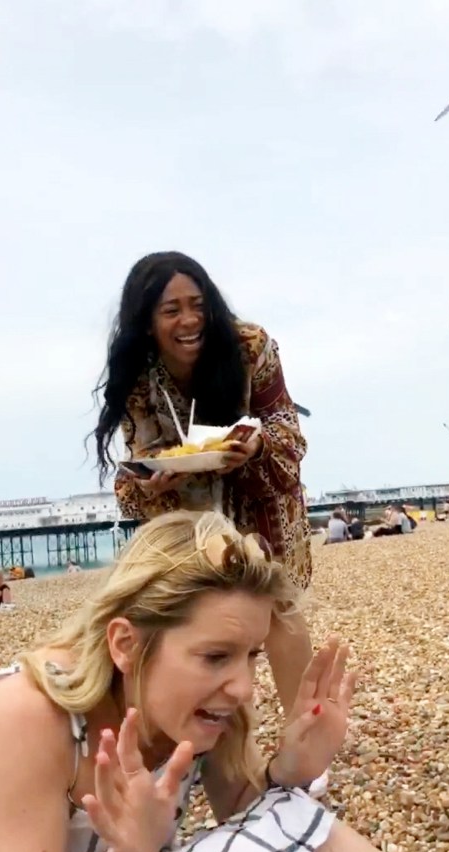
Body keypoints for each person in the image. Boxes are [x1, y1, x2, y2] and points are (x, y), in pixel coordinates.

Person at [0, 510, 449, 852]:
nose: (243, 686)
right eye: (215, 656)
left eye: (251, 654)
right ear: (126, 644)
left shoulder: (203, 706)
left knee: (288, 813)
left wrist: (290, 770)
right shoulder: (32, 712)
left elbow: (251, 817)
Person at [90, 252, 313, 725]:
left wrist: (255, 447)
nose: (190, 320)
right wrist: (151, 486)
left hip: (262, 493)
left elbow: (287, 429)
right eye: (171, 310)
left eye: (198, 304)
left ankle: (305, 731)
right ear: (147, 322)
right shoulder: (139, 377)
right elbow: (136, 472)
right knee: (212, 622)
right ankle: (226, 742)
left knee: (279, 611)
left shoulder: (250, 347)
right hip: (190, 511)